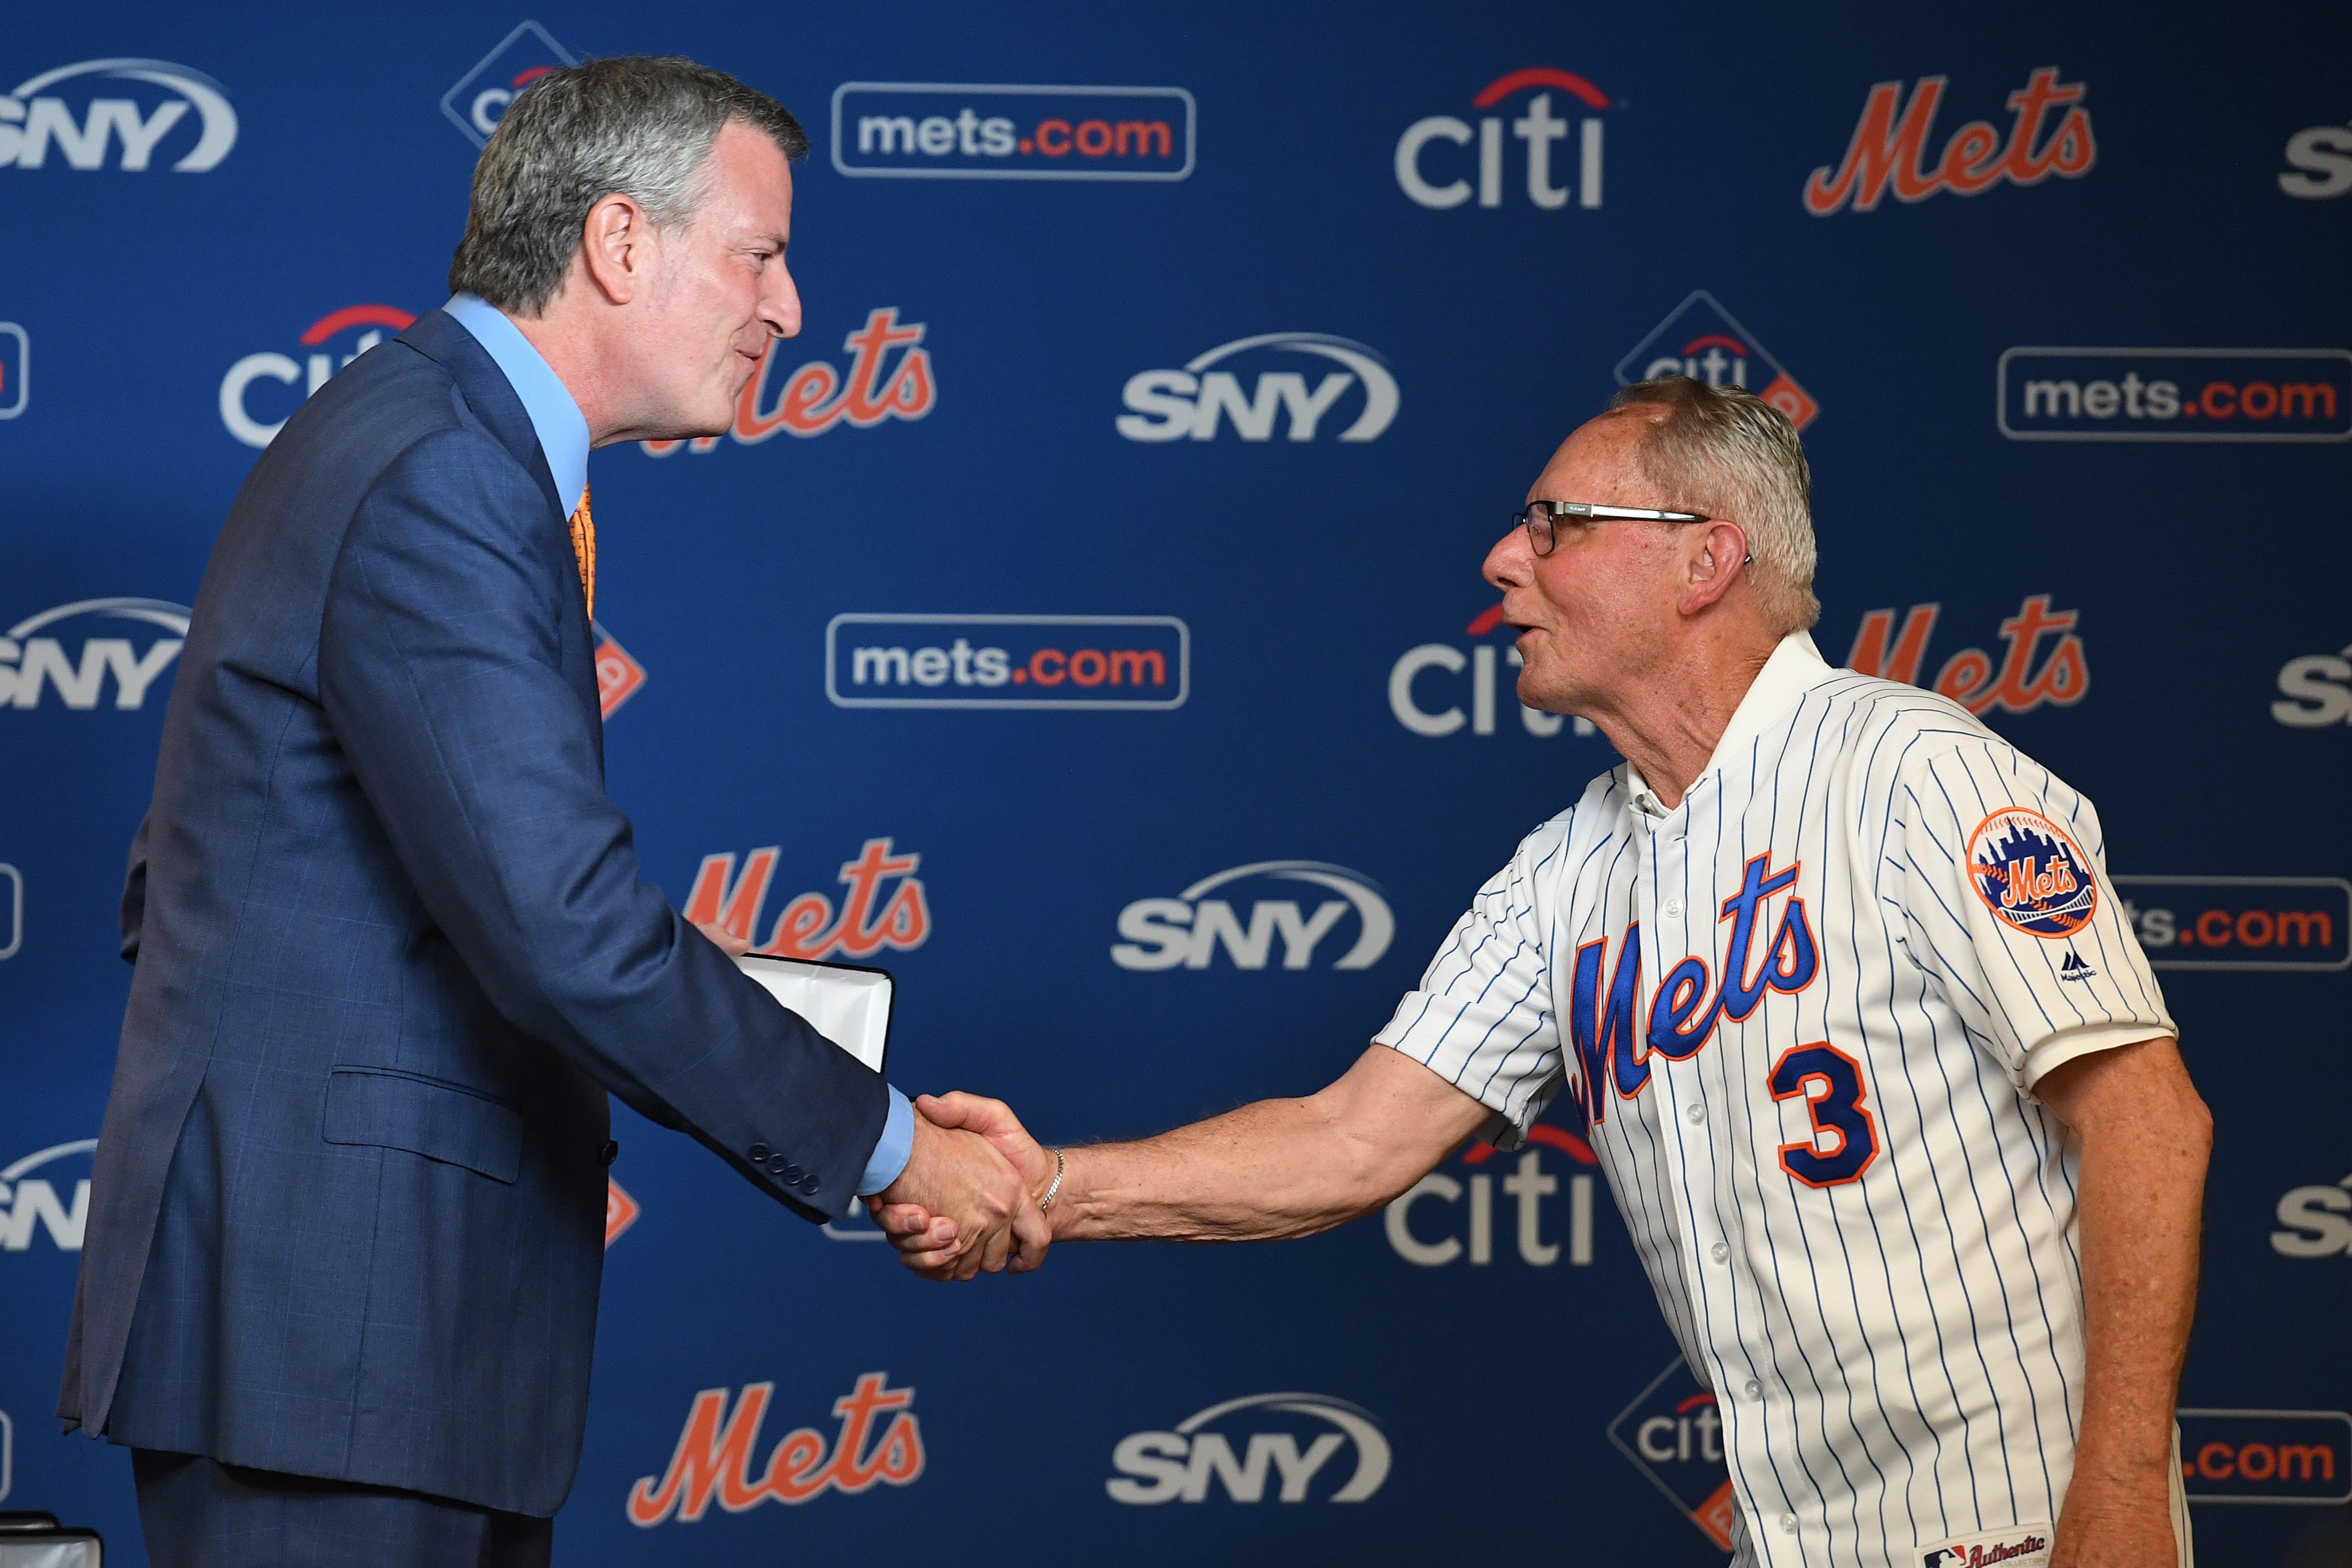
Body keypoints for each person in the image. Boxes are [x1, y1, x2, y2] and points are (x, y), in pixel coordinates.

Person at [880, 377, 2211, 1568]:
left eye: (1553, 525)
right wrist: (1049, 1184)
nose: (1502, 562)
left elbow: (2146, 1120)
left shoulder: (1916, 771)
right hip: (1794, 1536)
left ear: (1703, 560)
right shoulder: (1567, 870)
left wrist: (2120, 1497)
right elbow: (1348, 1142)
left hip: (2028, 1527)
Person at [60, 57, 1039, 1568]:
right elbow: (562, 935)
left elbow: (260, 877)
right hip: (329, 1340)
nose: (789, 312)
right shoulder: (444, 470)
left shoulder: (431, 442)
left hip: (370, 1340)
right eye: (761, 255)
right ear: (619, 243)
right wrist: (893, 1147)